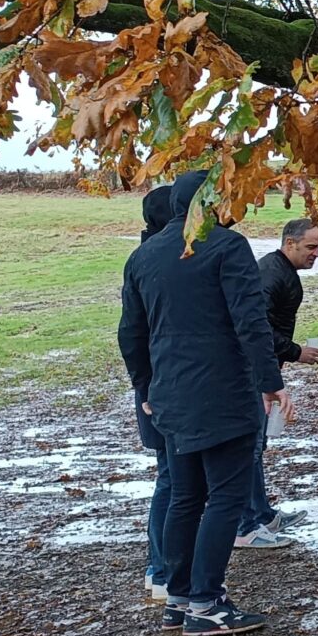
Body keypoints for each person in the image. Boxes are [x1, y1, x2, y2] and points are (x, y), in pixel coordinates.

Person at [117, 170, 288, 636]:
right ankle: (208, 604)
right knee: (226, 497)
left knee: (186, 495)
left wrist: (146, 386)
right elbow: (249, 321)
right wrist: (271, 382)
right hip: (223, 392)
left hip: (170, 394)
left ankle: (179, 597)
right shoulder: (227, 246)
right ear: (209, 203)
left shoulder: (143, 255)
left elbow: (130, 333)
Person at [237, 217, 318, 551]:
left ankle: (262, 514)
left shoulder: (283, 272)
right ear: (290, 243)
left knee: (257, 446)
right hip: (251, 371)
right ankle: (248, 523)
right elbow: (256, 329)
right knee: (250, 448)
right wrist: (295, 352)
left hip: (263, 369)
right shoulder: (271, 274)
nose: (316, 253)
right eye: (310, 247)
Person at [134, 183, 180, 605]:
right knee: (172, 479)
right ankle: (162, 569)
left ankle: (163, 568)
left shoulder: (144, 257)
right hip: (165, 388)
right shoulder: (159, 262)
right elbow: (135, 333)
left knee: (170, 477)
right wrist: (148, 387)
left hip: (156, 386)